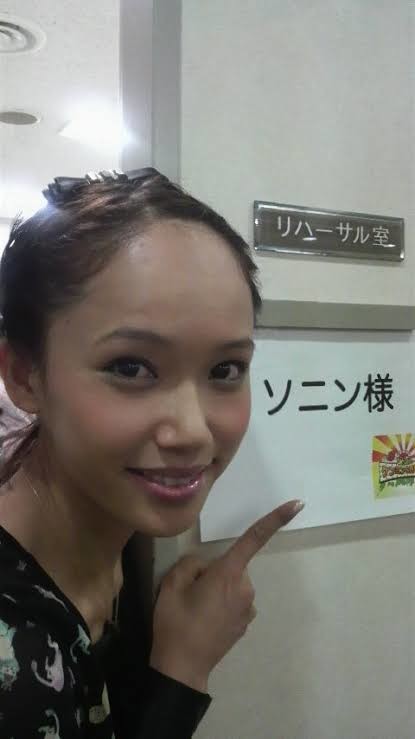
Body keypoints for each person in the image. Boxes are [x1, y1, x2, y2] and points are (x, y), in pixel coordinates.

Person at [0, 168, 304, 738]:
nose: (192, 431)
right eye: (130, 367)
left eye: (225, 370)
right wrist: (183, 670)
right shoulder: (15, 671)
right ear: (23, 374)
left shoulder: (118, 535)